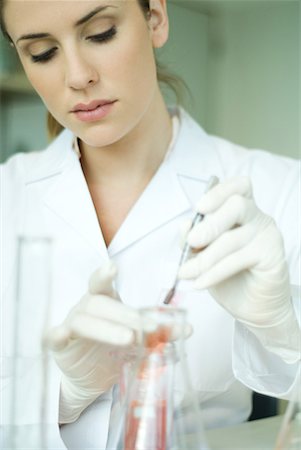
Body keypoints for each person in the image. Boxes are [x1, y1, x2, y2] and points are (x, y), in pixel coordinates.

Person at [1, 0, 300, 448]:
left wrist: (285, 330)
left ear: (155, 18)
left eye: (101, 33)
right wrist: (61, 396)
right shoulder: (9, 194)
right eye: (42, 52)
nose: (77, 76)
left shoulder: (280, 188)